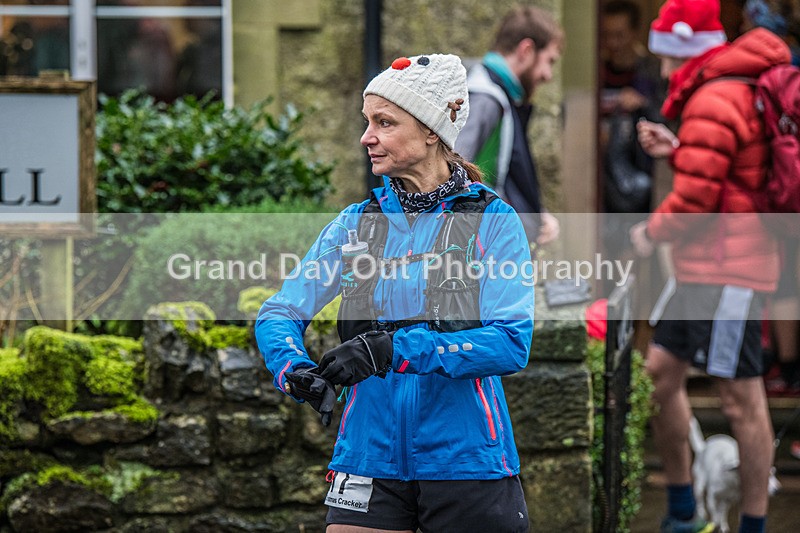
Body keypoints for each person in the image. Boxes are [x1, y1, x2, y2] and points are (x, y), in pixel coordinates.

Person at [256, 53, 534, 532]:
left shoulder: (493, 221)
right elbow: (280, 309)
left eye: (384, 122)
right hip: (368, 455)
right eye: (367, 122)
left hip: (466, 460)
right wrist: (292, 368)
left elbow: (511, 343)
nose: (367, 137)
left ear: (431, 131)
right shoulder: (354, 225)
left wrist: (393, 350)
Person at [629, 0, 790, 531]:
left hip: (729, 269)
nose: (664, 69)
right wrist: (680, 149)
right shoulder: (722, 90)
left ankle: (752, 524)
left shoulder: (714, 95)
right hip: (706, 266)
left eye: (669, 56)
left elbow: (697, 201)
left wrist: (650, 232)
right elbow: (725, 173)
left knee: (740, 398)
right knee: (659, 377)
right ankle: (682, 509)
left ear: (686, 52)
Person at [454, 5, 562, 246]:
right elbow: (452, 180)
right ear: (527, 50)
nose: (548, 75)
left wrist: (536, 216)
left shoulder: (499, 95)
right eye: (549, 61)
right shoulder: (487, 99)